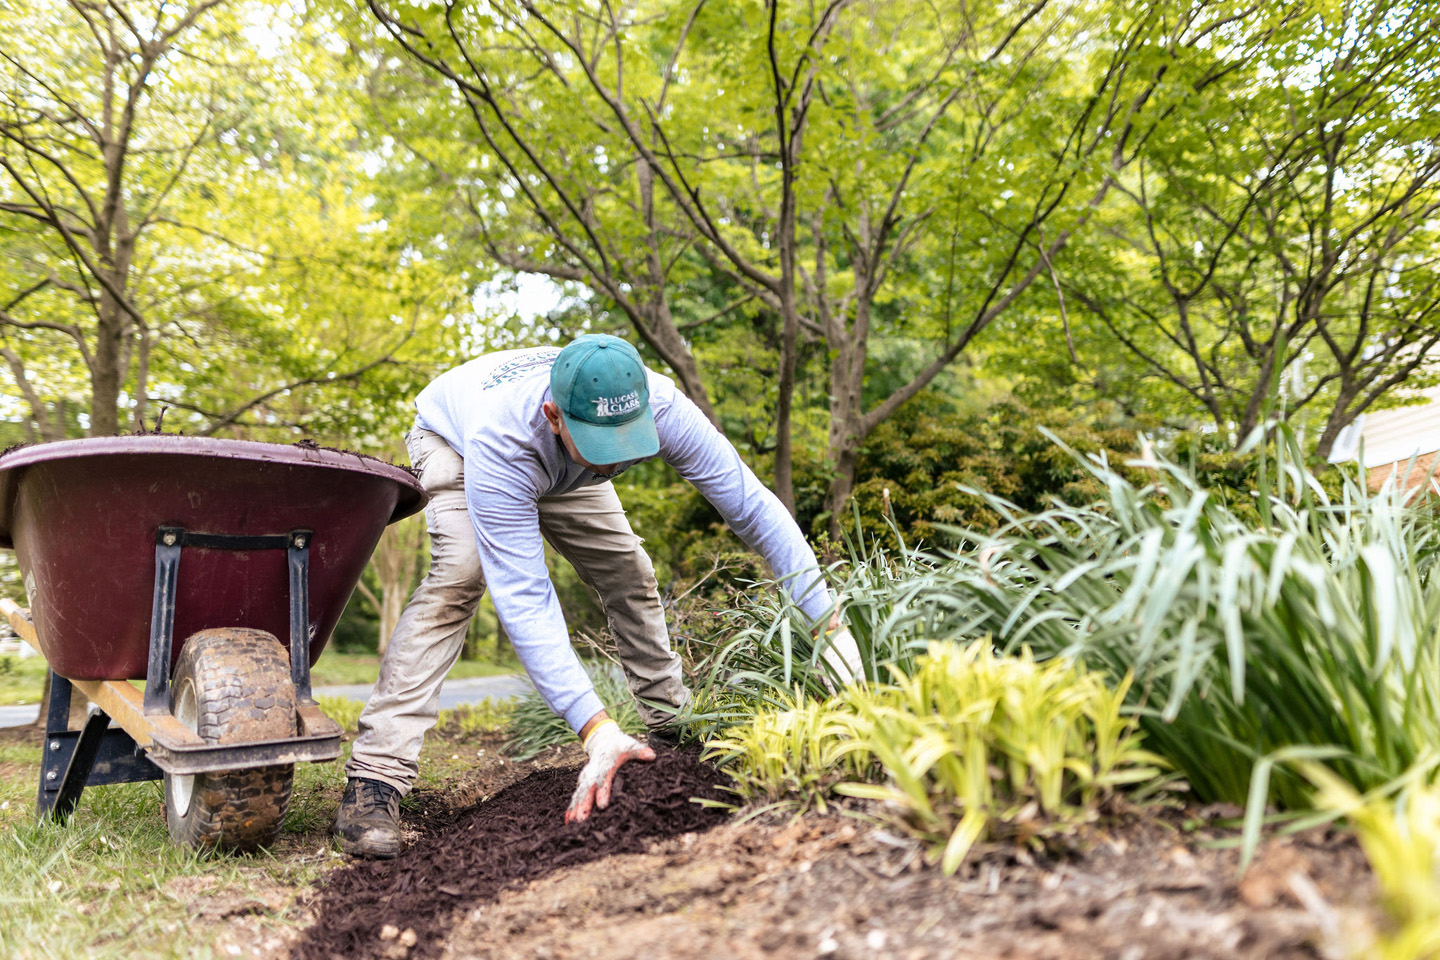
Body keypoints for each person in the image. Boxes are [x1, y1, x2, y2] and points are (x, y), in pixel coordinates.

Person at [334, 333, 860, 858]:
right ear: (555, 415)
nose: (616, 462)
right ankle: (375, 778)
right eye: (604, 447)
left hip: (564, 463)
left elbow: (754, 509)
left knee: (629, 571)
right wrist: (596, 729)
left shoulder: (660, 403)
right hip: (457, 443)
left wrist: (827, 622)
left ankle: (670, 721)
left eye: (627, 442)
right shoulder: (503, 438)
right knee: (461, 576)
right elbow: (525, 597)